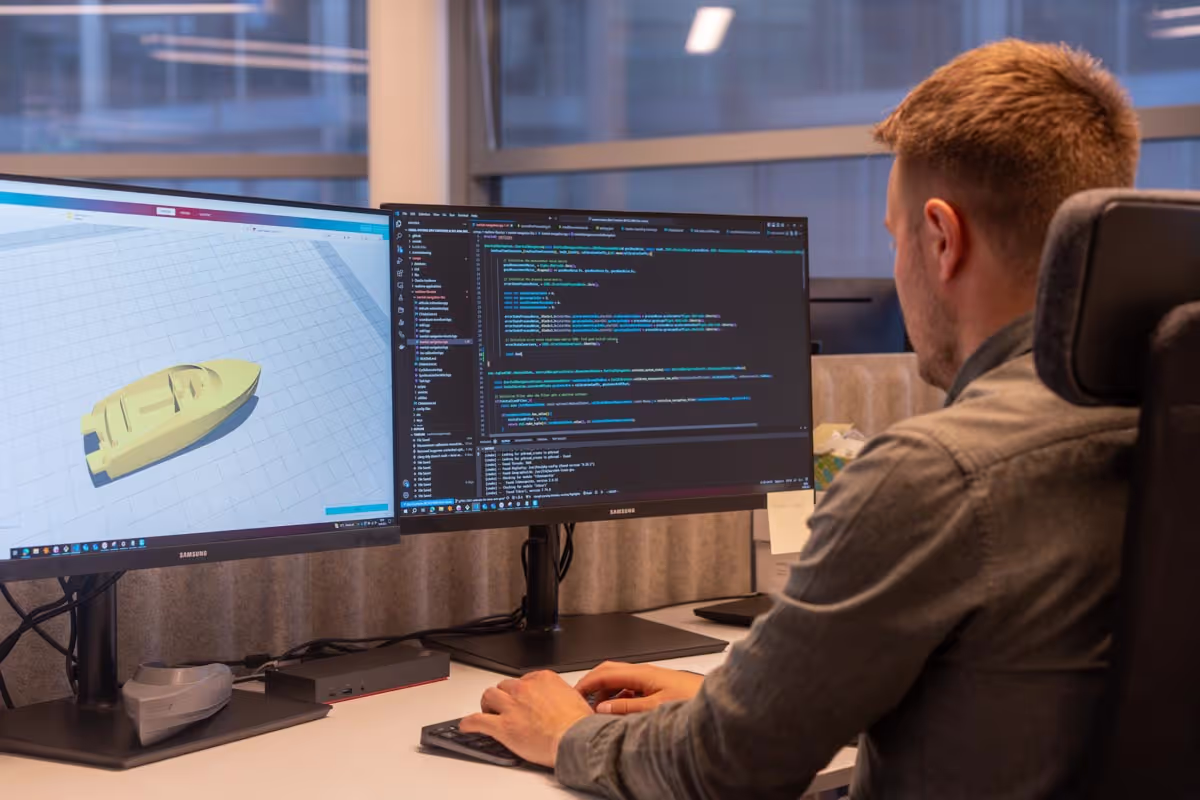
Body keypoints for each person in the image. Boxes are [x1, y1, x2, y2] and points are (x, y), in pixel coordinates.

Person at [460, 39, 1142, 798]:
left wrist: (571, 735)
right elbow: (1028, 699)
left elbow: (723, 771)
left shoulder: (937, 475)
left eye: (894, 235)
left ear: (943, 238)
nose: (896, 266)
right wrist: (758, 701)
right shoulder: (1160, 418)